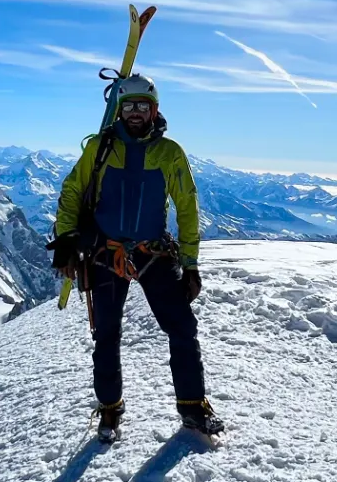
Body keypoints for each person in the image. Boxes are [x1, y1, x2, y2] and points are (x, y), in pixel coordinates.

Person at [51, 75, 219, 441]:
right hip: (104, 252)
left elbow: (187, 208)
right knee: (107, 334)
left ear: (155, 109)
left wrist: (190, 264)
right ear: (119, 109)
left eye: (143, 106)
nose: (136, 112)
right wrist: (65, 237)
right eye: (129, 105)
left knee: (182, 328)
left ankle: (192, 406)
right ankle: (109, 408)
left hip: (152, 252)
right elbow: (73, 190)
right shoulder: (99, 147)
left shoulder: (169, 152)